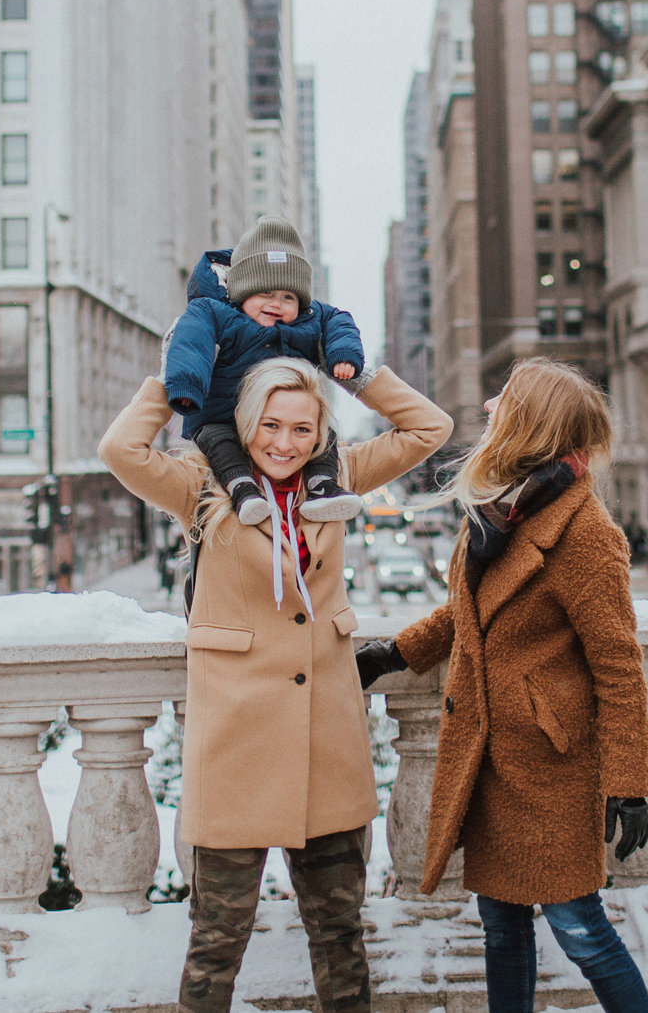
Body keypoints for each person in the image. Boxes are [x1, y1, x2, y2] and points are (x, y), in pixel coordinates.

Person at [99, 353, 451, 1013]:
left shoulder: (339, 476)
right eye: (271, 425)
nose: (284, 442)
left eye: (301, 428)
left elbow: (429, 428)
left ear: (320, 433)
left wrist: (356, 370)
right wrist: (178, 371)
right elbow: (120, 447)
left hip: (328, 743)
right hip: (235, 747)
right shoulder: (203, 483)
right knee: (216, 941)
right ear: (245, 422)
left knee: (341, 935)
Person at [355, 359, 648, 1013]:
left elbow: (620, 669)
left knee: (582, 931)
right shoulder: (500, 511)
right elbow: (467, 614)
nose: (491, 405)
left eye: (506, 399)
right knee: (501, 926)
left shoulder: (586, 535)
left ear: (530, 422)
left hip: (549, 769)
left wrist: (629, 783)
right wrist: (391, 653)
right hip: (488, 760)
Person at [164, 217, 366, 525]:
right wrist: (186, 387)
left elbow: (340, 322)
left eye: (288, 297)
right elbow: (192, 342)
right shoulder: (216, 314)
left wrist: (344, 356)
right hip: (223, 415)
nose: (276, 304)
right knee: (219, 442)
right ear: (243, 291)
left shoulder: (310, 320)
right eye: (265, 294)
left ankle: (322, 487)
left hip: (285, 417)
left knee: (323, 434)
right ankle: (242, 490)